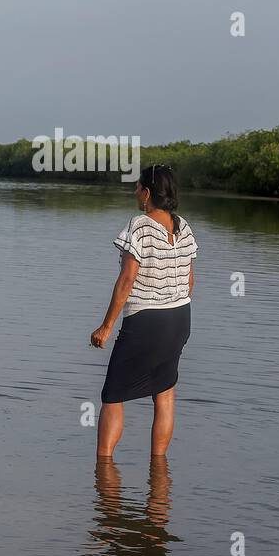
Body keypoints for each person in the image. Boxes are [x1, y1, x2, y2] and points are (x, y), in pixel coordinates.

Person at [90, 164, 198, 460]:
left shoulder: (139, 225)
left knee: (112, 395)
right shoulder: (184, 226)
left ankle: (104, 468)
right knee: (164, 393)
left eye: (137, 187)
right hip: (180, 318)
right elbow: (189, 280)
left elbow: (127, 279)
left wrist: (106, 327)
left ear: (148, 193)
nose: (135, 192)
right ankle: (159, 470)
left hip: (146, 320)